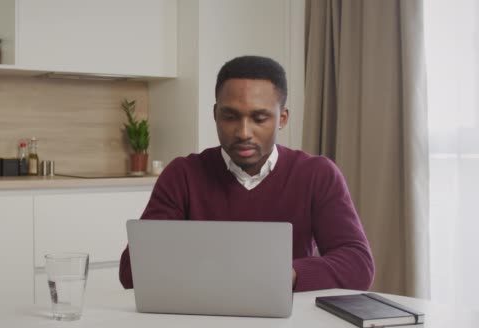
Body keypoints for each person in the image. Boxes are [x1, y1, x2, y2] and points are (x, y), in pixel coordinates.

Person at [119, 55, 375, 292]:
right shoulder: (182, 175)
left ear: (282, 118)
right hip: (200, 318)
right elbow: (132, 272)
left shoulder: (317, 174)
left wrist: (288, 274)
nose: (243, 132)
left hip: (291, 322)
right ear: (215, 115)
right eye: (230, 116)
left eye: (259, 118)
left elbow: (359, 265)